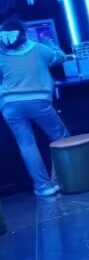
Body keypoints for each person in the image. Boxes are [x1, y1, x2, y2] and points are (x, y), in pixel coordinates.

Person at [0, 20, 69, 196]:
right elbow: (61, 58)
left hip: (9, 104)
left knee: (27, 145)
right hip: (38, 100)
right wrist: (51, 44)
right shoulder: (38, 48)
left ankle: (43, 187)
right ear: (24, 34)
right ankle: (59, 180)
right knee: (60, 137)